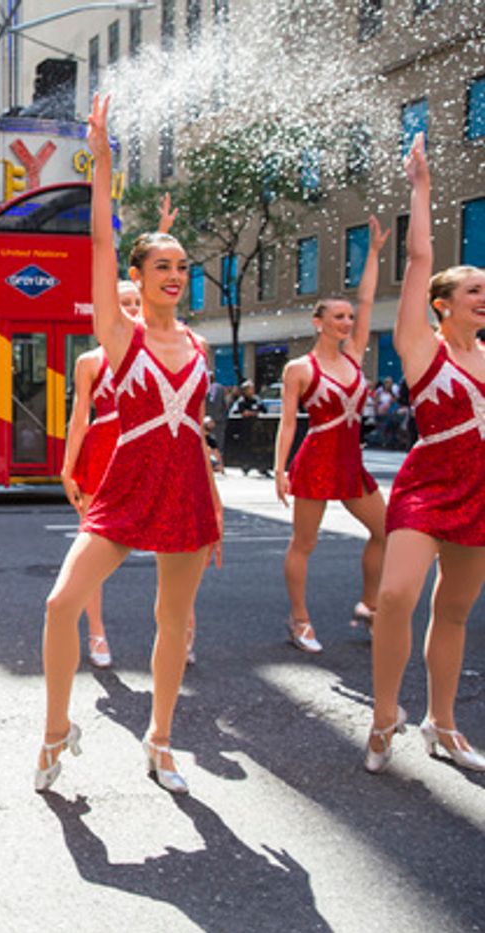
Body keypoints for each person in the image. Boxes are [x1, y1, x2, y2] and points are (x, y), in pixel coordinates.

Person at [35, 95, 221, 797]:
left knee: (173, 622)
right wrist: (103, 158)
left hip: (185, 489)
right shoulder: (122, 337)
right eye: (161, 267)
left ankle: (162, 737)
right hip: (125, 484)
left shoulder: (200, 344)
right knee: (61, 605)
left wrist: (217, 509)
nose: (174, 275)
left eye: (182, 267)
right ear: (138, 280)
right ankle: (57, 727)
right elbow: (102, 243)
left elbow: (199, 437)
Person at [366, 135, 485, 775]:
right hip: (428, 486)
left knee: (456, 610)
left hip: (482, 490)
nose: (483, 298)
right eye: (473, 290)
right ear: (443, 305)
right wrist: (423, 190)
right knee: (396, 594)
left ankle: (443, 723)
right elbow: (417, 259)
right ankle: (385, 716)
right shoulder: (420, 346)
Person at [57, 196, 180, 671]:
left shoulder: (162, 348)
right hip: (103, 453)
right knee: (96, 550)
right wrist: (69, 466)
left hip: (154, 451)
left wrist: (162, 227)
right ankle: (97, 632)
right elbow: (79, 418)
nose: (129, 309)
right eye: (123, 303)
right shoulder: (91, 360)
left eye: (135, 304)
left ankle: (180, 631)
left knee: (173, 541)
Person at [273, 217, 390, 654]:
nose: (347, 322)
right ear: (318, 321)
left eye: (350, 318)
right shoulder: (300, 369)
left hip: (350, 462)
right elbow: (288, 422)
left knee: (386, 531)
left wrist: (375, 252)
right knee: (304, 543)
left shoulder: (356, 356)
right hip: (317, 460)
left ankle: (370, 605)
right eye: (338, 317)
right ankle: (299, 619)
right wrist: (279, 470)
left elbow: (367, 295)